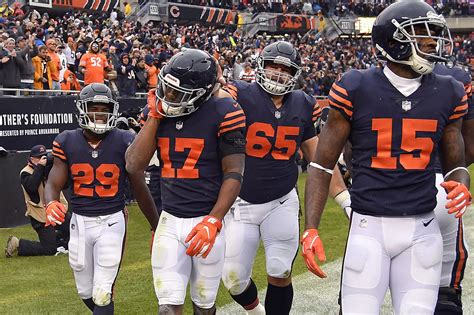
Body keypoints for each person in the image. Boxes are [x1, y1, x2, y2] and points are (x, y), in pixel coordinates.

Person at [302, 2, 470, 314]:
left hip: (423, 229)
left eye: (434, 33)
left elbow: (455, 164)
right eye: (421, 33)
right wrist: (311, 227)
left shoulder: (450, 90)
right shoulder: (356, 86)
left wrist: (460, 183)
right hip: (369, 227)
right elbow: (321, 164)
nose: (432, 41)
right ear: (393, 40)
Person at [221, 41, 350, 314]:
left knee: (280, 270)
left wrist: (344, 199)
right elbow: (217, 97)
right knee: (233, 279)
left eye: (285, 68)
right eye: (272, 66)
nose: (278, 73)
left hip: (281, 201)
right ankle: (256, 311)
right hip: (241, 202)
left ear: (295, 73)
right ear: (260, 67)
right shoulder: (240, 94)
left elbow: (320, 159)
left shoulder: (303, 104)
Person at [125, 48, 246, 315]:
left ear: (202, 94)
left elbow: (234, 172)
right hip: (171, 220)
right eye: (166, 89)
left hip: (206, 220)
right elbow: (133, 165)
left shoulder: (225, 111)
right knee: (167, 308)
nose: (168, 97)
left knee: (204, 307)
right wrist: (155, 116)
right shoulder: (160, 112)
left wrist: (214, 220)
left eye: (177, 93)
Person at [44, 83, 158, 313]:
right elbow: (54, 181)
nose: (99, 114)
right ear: (82, 109)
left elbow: (138, 188)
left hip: (112, 221)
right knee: (86, 292)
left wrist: (156, 227)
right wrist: (50, 202)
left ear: (112, 111)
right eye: (93, 108)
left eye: (104, 109)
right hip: (80, 222)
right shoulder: (66, 140)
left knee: (102, 292)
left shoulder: (125, 140)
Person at [431, 62, 473, 314]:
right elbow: (470, 148)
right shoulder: (456, 80)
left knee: (363, 285)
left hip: (389, 188)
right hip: (443, 185)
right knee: (445, 287)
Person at [5, 145, 69, 258]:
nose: (42, 159)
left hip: (55, 210)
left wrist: (52, 166)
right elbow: (32, 187)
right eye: (38, 157)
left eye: (44, 156)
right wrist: (40, 167)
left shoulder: (49, 169)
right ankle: (18, 244)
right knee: (49, 249)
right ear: (31, 159)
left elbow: (64, 183)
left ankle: (59, 238)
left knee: (74, 228)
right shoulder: (25, 172)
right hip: (40, 216)